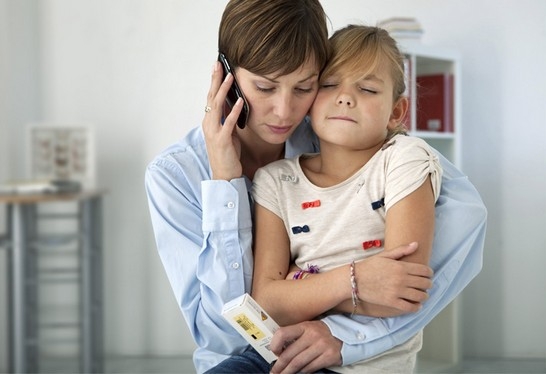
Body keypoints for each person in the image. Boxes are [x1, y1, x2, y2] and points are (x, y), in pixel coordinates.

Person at [145, 0, 487, 373]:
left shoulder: (338, 131)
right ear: (224, 75)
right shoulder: (173, 175)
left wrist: (339, 328)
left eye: (304, 87)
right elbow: (224, 334)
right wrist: (225, 183)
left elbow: (464, 217)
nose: (284, 111)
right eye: (264, 87)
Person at [250, 24, 442, 373]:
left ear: (397, 112)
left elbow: (400, 292)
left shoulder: (403, 159)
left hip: (361, 363)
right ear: (309, 100)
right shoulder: (275, 181)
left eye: (367, 88)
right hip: (277, 352)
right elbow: (268, 305)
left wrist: (299, 283)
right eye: (329, 84)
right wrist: (357, 280)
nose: (346, 97)